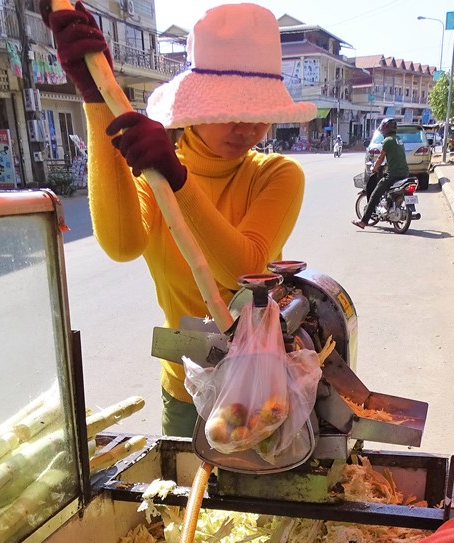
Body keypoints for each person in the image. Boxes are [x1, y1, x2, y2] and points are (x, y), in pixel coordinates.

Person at [43, 1, 316, 437]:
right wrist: (95, 100)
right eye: (232, 107)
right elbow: (121, 244)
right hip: (185, 392)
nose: (248, 126)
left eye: (259, 109)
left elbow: (244, 266)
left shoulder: (278, 175)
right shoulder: (154, 173)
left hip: (262, 394)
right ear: (197, 105)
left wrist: (179, 179)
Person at [352, 118, 409, 230]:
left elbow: (380, 158)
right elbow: (395, 157)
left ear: (385, 129)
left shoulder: (387, 141)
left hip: (393, 174)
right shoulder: (399, 139)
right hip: (405, 173)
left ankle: (363, 222)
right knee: (389, 191)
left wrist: (375, 168)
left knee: (374, 195)